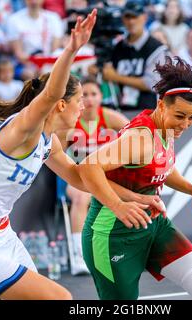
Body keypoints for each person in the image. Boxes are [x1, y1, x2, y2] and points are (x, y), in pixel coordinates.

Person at [0, 10, 162, 300]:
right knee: (60, 298)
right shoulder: (23, 129)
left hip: (0, 235)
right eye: (79, 100)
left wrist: (133, 198)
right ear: (60, 105)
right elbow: (50, 93)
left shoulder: (48, 142)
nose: (84, 107)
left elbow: (81, 178)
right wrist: (72, 49)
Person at [78, 56, 192, 300]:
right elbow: (87, 168)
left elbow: (161, 169)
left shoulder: (164, 129)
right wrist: (118, 206)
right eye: (180, 116)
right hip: (112, 236)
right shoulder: (140, 139)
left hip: (153, 225)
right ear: (161, 106)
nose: (186, 124)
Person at [64, 78, 129, 276]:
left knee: (133, 192)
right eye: (85, 95)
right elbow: (51, 146)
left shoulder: (109, 117)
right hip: (77, 176)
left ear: (101, 97)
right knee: (82, 197)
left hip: (107, 177)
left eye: (94, 94)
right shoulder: (71, 121)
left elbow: (137, 136)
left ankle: (131, 252)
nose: (90, 99)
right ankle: (78, 256)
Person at [99, 0, 169, 110]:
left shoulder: (157, 48)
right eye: (127, 17)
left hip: (148, 113)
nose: (131, 21)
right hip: (121, 111)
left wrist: (116, 77)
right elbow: (107, 74)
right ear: (123, 19)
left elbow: (152, 83)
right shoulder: (118, 48)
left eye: (135, 17)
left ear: (144, 17)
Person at [6, 0, 64, 80]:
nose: (33, 1)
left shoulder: (53, 18)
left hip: (47, 63)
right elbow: (18, 53)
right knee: (29, 74)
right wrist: (35, 63)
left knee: (49, 73)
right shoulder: (14, 19)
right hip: (24, 64)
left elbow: (54, 50)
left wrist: (43, 64)